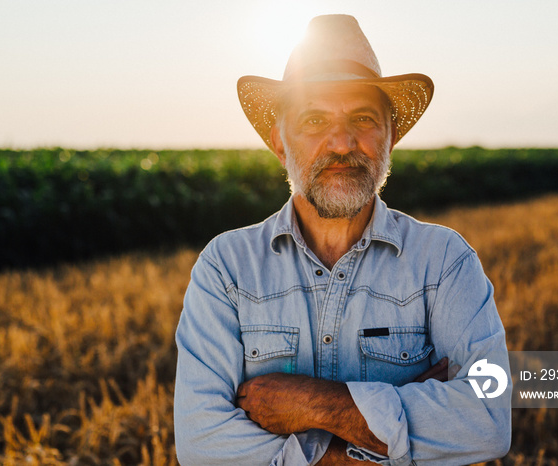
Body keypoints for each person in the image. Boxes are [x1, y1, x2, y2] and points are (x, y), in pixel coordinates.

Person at [174, 14, 511, 465]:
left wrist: (314, 403)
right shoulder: (226, 268)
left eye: (363, 118)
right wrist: (378, 438)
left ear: (391, 135)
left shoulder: (445, 261)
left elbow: (488, 420)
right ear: (279, 140)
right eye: (314, 119)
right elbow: (202, 445)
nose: (341, 142)